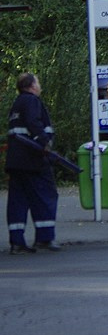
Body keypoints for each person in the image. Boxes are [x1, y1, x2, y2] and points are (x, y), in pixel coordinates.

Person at [5, 72, 60, 253]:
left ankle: (17, 242)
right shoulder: (31, 101)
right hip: (33, 159)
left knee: (18, 201)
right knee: (45, 196)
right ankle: (44, 238)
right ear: (32, 86)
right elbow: (33, 123)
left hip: (16, 160)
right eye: (38, 82)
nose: (40, 86)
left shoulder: (17, 104)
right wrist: (44, 142)